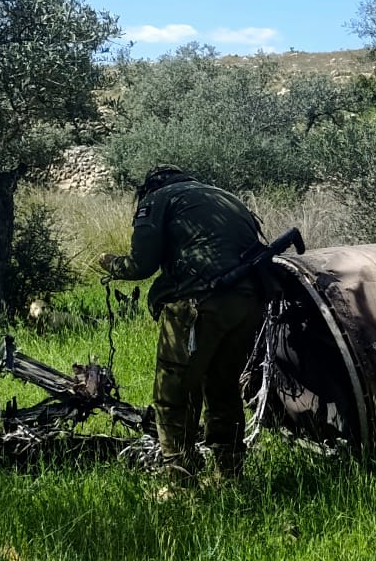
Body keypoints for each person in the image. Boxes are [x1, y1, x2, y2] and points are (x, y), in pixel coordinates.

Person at [98, 165, 268, 481]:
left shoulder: (158, 199)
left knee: (174, 392)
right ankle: (228, 475)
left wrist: (108, 262)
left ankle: (179, 479)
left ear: (148, 189)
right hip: (249, 303)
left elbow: (141, 265)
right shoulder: (225, 197)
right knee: (224, 389)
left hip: (197, 302)